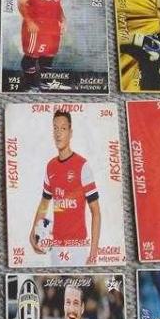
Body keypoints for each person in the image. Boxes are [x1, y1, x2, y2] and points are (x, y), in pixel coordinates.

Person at [28, 111, 100, 265]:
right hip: (56, 246)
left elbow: (96, 211)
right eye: (55, 128)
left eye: (63, 128)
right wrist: (33, 230)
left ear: (70, 133)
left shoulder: (82, 165)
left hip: (77, 247)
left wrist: (93, 254)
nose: (58, 133)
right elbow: (44, 203)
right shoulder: (50, 166)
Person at [17, 0, 66, 91]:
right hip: (36, 26)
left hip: (53, 27)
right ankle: (30, 85)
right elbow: (21, 5)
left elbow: (58, 6)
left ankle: (45, 82)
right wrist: (29, 22)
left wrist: (63, 21)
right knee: (31, 55)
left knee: (49, 55)